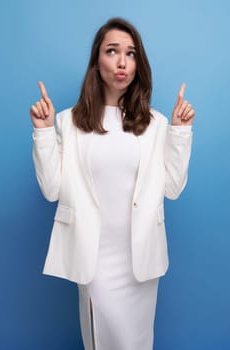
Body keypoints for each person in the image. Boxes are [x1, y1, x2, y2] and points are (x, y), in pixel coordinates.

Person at [30, 17, 195, 350]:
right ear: (97, 61)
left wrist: (179, 131)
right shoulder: (69, 121)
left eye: (131, 53)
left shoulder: (155, 123)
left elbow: (173, 188)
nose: (122, 62)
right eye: (112, 51)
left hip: (141, 260)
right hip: (94, 259)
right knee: (103, 341)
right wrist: (44, 131)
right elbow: (51, 189)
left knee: (137, 343)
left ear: (138, 64)